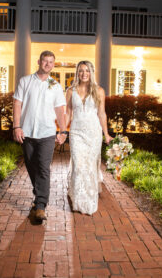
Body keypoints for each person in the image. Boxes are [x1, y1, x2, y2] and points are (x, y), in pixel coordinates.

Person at [13, 51, 67, 222]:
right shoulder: (25, 81)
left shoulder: (56, 86)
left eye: (51, 62)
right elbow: (17, 104)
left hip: (47, 133)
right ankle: (38, 199)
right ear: (39, 61)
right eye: (45, 61)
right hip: (27, 132)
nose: (48, 65)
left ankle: (41, 205)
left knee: (43, 168)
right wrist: (16, 127)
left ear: (53, 65)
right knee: (31, 167)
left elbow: (60, 110)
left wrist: (63, 130)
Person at [65, 60, 112, 215]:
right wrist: (63, 131)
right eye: (81, 71)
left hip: (94, 133)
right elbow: (68, 113)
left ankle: (90, 200)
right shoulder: (71, 91)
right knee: (79, 166)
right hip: (76, 133)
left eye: (87, 70)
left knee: (91, 167)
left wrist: (106, 134)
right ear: (77, 73)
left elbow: (102, 113)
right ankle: (78, 200)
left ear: (91, 73)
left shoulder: (99, 91)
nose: (84, 74)